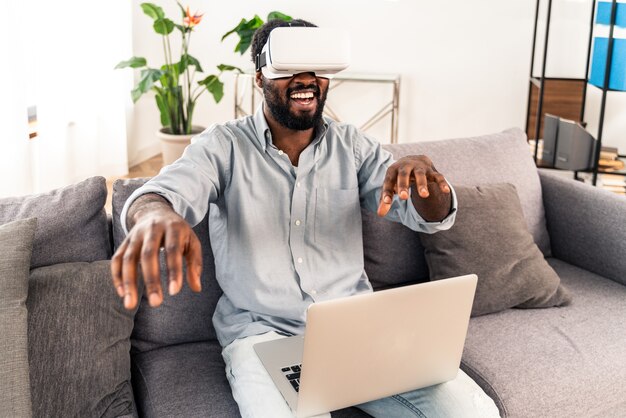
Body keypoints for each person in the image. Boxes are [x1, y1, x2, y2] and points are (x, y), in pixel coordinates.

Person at [111, 18, 500, 418]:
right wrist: (155, 213)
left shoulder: (354, 147)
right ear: (261, 76)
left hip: (356, 331)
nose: (306, 80)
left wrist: (429, 182)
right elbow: (162, 194)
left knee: (474, 413)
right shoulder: (223, 146)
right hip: (262, 336)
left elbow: (428, 217)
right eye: (291, 68)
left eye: (316, 69)